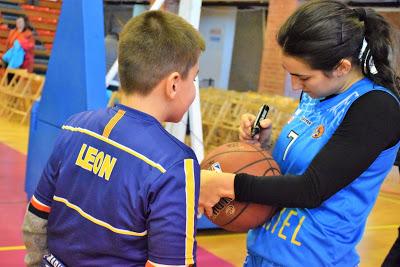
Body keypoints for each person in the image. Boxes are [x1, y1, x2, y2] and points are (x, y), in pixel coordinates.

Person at [199, 0, 400, 266]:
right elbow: (293, 172)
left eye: (303, 77)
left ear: (341, 67)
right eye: (290, 74)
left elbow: (312, 188)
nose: (295, 86)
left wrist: (225, 183)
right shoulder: (317, 94)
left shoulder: (376, 107)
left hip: (312, 259)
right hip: (263, 251)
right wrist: (262, 148)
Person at [22, 10, 205, 266]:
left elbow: (36, 222)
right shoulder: (175, 163)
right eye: (194, 78)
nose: (195, 87)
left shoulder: (75, 127)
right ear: (174, 84)